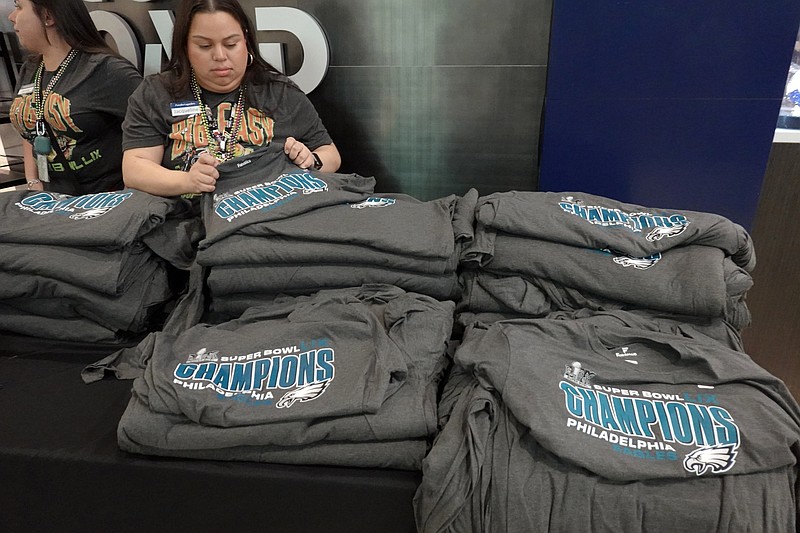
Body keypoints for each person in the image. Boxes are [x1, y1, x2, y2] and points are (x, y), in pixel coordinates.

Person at [122, 0, 341, 197]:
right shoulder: (156, 93)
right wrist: (186, 181)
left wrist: (311, 160)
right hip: (185, 220)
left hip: (269, 216)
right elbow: (135, 169)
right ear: (185, 47)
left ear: (246, 40)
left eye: (231, 44)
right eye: (205, 46)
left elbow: (330, 154)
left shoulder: (280, 92)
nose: (220, 56)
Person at [7, 0, 142, 194]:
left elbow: (153, 128)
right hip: (51, 201)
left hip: (103, 201)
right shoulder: (30, 69)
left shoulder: (106, 70)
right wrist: (33, 181)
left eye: (19, 7)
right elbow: (31, 130)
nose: (12, 17)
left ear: (48, 16)